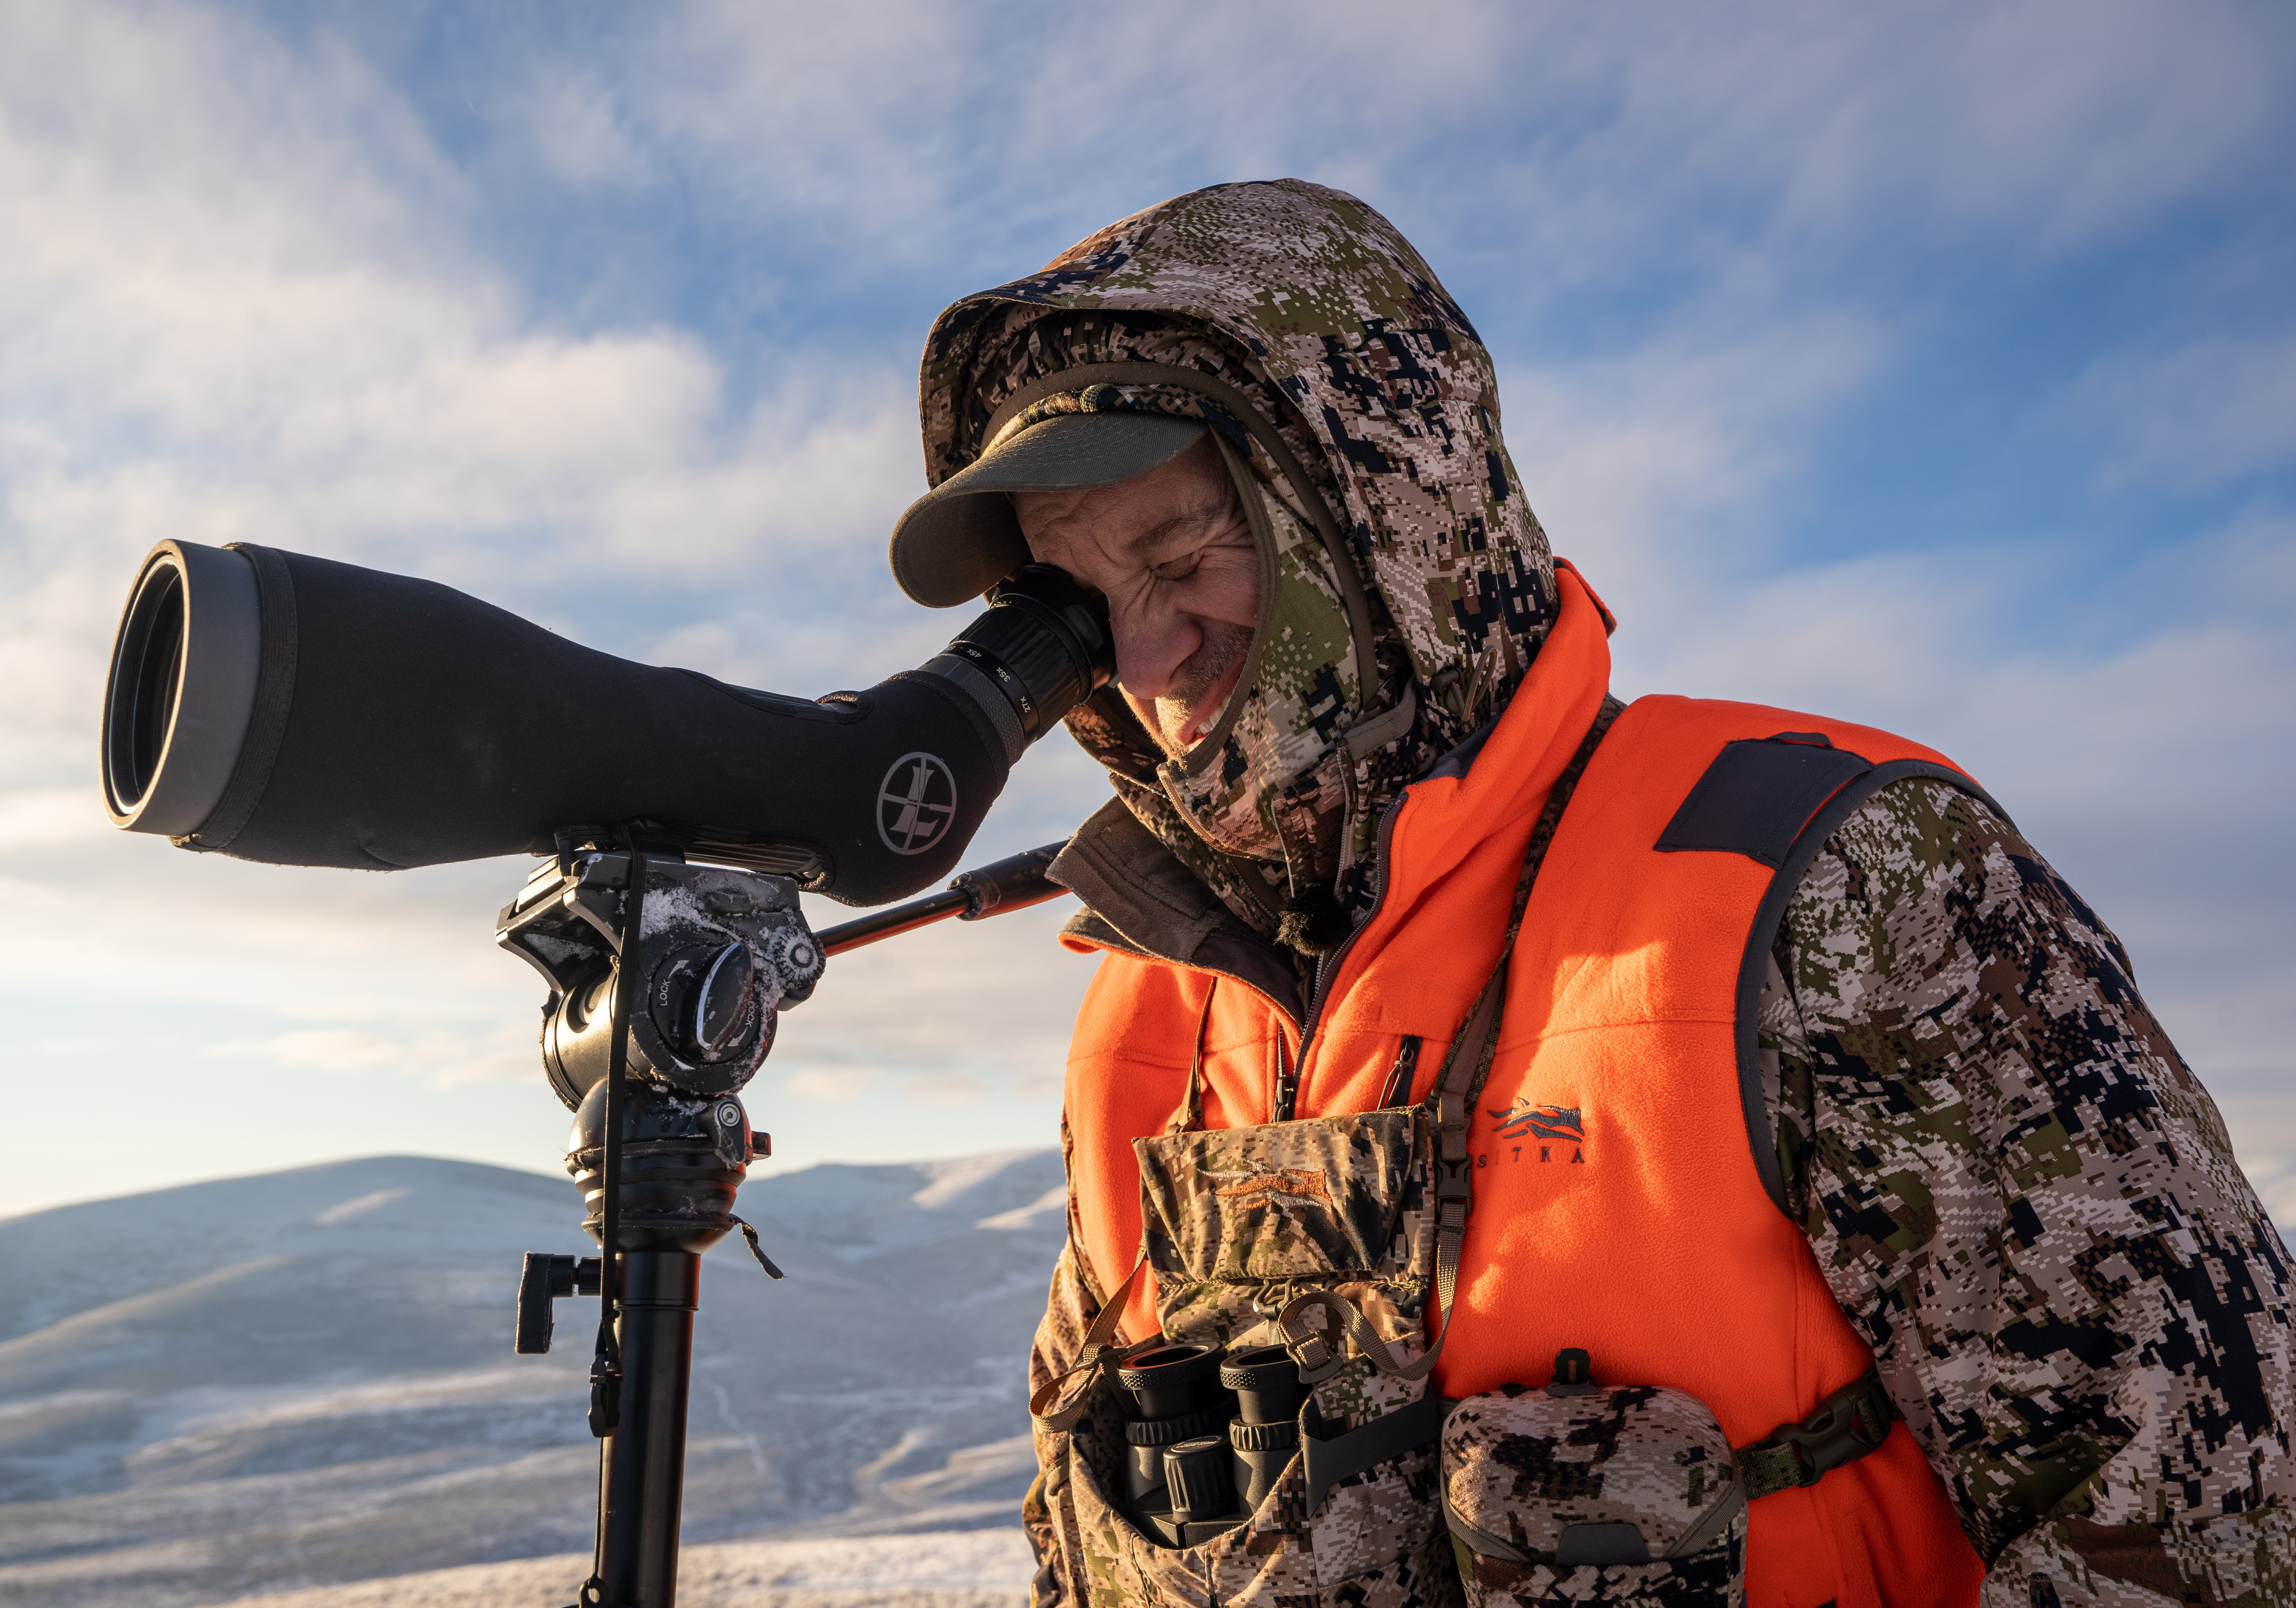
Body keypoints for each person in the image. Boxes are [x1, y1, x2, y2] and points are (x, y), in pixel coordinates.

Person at [887, 180, 2292, 1606]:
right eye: (1075, 603)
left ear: (1384, 520)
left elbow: (2209, 1524)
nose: (1146, 651)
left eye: (1187, 556)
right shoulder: (1144, 994)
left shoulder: (1829, 876)